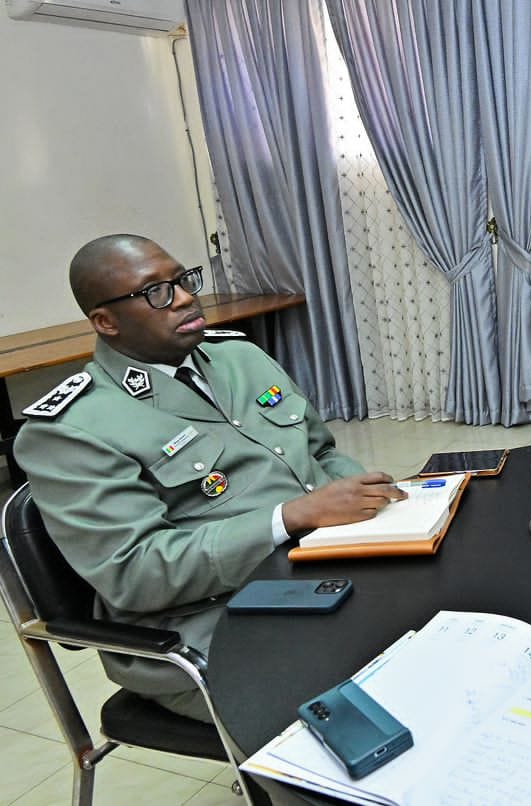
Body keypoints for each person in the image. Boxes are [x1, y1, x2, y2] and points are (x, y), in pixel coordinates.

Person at [15, 234, 405, 722]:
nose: (182, 297)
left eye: (182, 279)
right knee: (381, 697)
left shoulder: (238, 357)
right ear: (105, 321)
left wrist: (376, 507)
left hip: (314, 568)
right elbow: (134, 574)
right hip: (207, 623)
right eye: (154, 292)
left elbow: (319, 452)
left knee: (441, 621)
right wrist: (290, 517)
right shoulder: (71, 429)